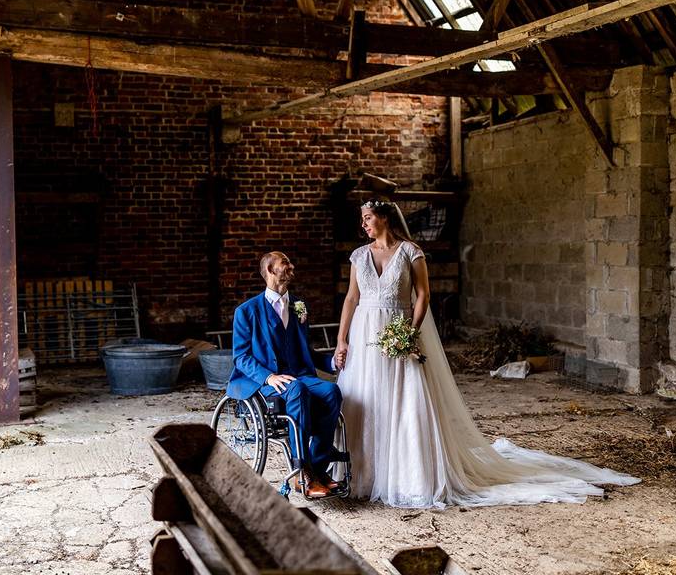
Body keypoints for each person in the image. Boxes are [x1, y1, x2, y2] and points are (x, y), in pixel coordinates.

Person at [333, 200, 640, 508]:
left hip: (399, 330)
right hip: (365, 333)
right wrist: (342, 340)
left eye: (368, 218)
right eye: (362, 219)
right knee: (368, 397)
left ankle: (407, 477)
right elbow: (351, 298)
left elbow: (424, 294)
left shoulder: (411, 252)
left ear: (385, 218)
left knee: (405, 401)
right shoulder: (359, 256)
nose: (364, 224)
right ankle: (364, 474)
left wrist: (411, 333)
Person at [228, 251, 342, 498]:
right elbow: (241, 356)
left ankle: (317, 468)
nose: (291, 266)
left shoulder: (298, 306)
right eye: (285, 263)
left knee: (331, 391)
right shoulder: (246, 312)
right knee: (296, 390)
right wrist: (269, 377)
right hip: (265, 381)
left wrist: (332, 361)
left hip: (299, 375)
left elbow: (304, 351)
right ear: (270, 270)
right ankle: (304, 473)